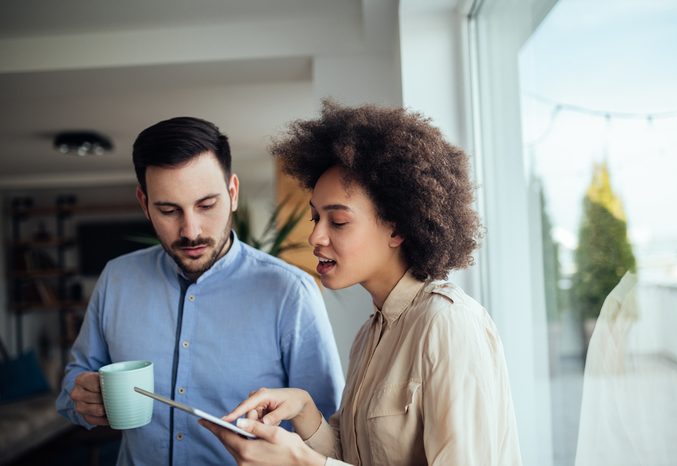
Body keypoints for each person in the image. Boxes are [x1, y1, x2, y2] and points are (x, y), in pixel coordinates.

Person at [201, 102, 522, 465]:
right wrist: (304, 410)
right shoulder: (369, 335)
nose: (315, 237)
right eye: (314, 217)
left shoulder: (447, 323)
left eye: (337, 222)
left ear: (397, 227)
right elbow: (356, 457)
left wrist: (302, 463)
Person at [56, 116, 345, 466]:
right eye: (168, 210)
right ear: (144, 203)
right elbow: (72, 387)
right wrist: (82, 398)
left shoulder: (290, 292)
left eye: (206, 205)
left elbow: (327, 432)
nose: (191, 230)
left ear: (233, 193)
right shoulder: (117, 279)